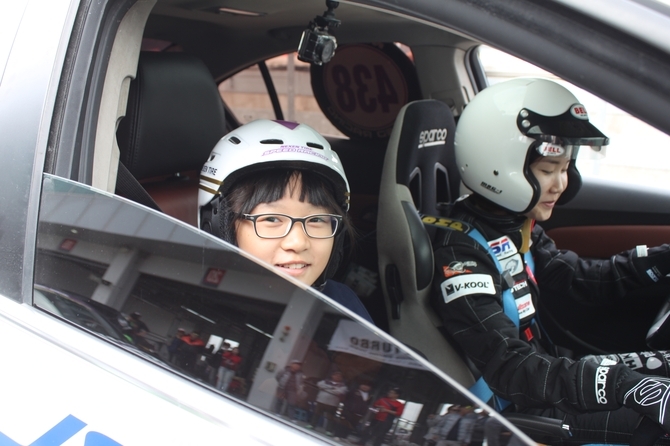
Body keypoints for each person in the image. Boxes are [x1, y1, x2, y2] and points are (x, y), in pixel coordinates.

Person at [430, 78, 670, 442]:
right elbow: (509, 367)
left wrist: (662, 260)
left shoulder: (513, 225)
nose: (561, 183)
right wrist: (619, 384)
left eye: (566, 167)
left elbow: (578, 278)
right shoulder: (460, 254)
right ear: (496, 165)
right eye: (548, 170)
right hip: (518, 407)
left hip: (547, 377)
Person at [197, 119, 373, 323]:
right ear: (217, 227)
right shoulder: (194, 311)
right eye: (272, 219)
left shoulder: (343, 305)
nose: (298, 242)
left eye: (316, 219)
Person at [307, 370, 348, 435]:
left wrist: (326, 388)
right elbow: (319, 384)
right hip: (321, 401)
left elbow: (339, 392)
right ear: (332, 376)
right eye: (336, 375)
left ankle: (329, 431)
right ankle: (312, 425)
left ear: (342, 378)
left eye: (339, 376)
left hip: (333, 404)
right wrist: (332, 388)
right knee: (316, 414)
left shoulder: (343, 386)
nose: (337, 377)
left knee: (330, 418)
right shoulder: (325, 381)